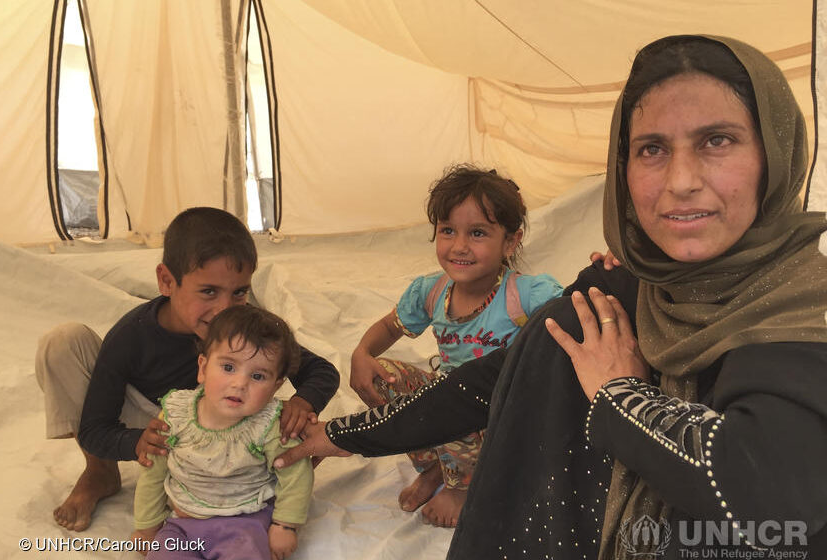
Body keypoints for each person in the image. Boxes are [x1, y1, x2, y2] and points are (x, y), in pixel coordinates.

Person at [273, 35, 827, 559]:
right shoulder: (624, 288)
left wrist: (621, 395)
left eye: (717, 140)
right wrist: (346, 436)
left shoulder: (801, 309)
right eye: (652, 149)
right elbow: (501, 378)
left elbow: (773, 496)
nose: (681, 180)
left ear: (774, 154)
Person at [35, 207, 339, 532]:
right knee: (63, 341)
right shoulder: (131, 336)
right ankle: (100, 473)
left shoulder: (244, 325)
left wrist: (301, 403)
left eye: (239, 291)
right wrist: (138, 441)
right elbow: (95, 429)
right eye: (208, 291)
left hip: (221, 423)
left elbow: (322, 371)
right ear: (167, 281)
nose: (225, 308)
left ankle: (203, 480)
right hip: (161, 425)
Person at [349, 164, 563, 526]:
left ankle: (462, 487)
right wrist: (362, 353)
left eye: (477, 233)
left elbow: (572, 318)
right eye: (448, 230)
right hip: (449, 398)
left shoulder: (525, 295)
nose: (459, 246)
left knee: (454, 399)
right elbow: (389, 325)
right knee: (389, 378)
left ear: (510, 241)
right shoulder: (430, 291)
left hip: (500, 408)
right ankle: (436, 467)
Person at [131, 305, 312, 560]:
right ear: (203, 368)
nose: (240, 383)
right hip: (180, 523)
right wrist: (147, 525)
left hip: (244, 521)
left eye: (258, 376)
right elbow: (153, 470)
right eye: (228, 367)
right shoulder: (176, 415)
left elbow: (296, 474)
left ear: (276, 386)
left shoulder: (270, 424)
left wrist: (285, 525)